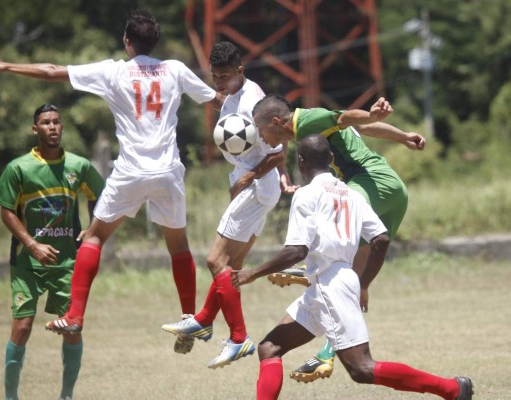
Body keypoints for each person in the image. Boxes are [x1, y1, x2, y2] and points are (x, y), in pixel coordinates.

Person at [0, 10, 224, 353]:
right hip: (168, 171)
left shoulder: (113, 72)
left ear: (126, 41)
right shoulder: (175, 70)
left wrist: (3, 65)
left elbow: (52, 72)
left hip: (131, 172)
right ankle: (189, 318)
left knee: (93, 237)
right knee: (178, 247)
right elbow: (217, 99)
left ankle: (75, 316)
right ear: (156, 42)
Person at [231, 134, 474, 400]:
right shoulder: (352, 194)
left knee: (362, 369)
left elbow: (296, 251)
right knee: (270, 348)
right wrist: (364, 282)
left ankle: (451, 388)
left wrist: (252, 273)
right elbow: (380, 239)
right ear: (332, 159)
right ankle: (451, 389)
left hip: (328, 285)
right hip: (333, 282)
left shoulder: (306, 195)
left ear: (300, 161)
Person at [252, 93, 425, 382]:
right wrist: (402, 136)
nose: (261, 137)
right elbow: (362, 129)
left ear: (276, 122)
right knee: (349, 263)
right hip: (393, 190)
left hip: (370, 181)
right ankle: (328, 351)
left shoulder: (306, 120)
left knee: (330, 207)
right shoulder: (311, 132)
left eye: (261, 130)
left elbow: (348, 118)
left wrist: (371, 114)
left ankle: (300, 264)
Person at [162, 41, 291, 368]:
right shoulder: (232, 96)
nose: (219, 82)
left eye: (224, 76)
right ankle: (204, 319)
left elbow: (280, 149)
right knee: (230, 268)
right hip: (254, 185)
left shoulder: (253, 102)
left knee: (214, 259)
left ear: (240, 72)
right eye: (214, 76)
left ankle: (238, 337)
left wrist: (252, 176)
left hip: (257, 186)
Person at [0, 104, 104, 400]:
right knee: (23, 327)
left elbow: (103, 197)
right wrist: (32, 244)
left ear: (62, 127)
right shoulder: (18, 168)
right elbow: (6, 211)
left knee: (72, 328)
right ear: (35, 129)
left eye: (56, 122)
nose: (52, 127)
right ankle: (10, 397)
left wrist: (92, 228)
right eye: (45, 122)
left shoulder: (78, 166)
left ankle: (66, 395)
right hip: (27, 261)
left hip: (68, 263)